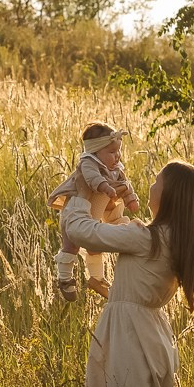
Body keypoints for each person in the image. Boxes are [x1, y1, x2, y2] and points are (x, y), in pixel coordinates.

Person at [59, 159, 194, 387]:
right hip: (153, 334)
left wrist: (79, 195)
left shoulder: (146, 238)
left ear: (169, 196)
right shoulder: (174, 240)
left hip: (128, 336)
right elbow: (140, 286)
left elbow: (81, 231)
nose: (151, 186)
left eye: (157, 182)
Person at [48, 122, 142, 300]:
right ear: (96, 152)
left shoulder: (116, 168)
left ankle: (97, 278)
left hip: (95, 213)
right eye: (112, 152)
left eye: (118, 151)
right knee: (71, 245)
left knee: (94, 247)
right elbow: (92, 178)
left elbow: (125, 184)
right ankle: (65, 278)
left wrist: (131, 199)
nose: (117, 156)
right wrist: (105, 186)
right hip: (75, 208)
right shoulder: (88, 162)